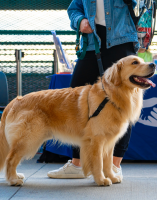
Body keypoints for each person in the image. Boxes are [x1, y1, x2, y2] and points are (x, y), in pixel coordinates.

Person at [47, 0, 139, 179]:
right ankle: (77, 163)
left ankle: (113, 165)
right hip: (91, 41)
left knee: (123, 103)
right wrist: (79, 20)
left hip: (121, 40)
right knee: (74, 99)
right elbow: (74, 8)